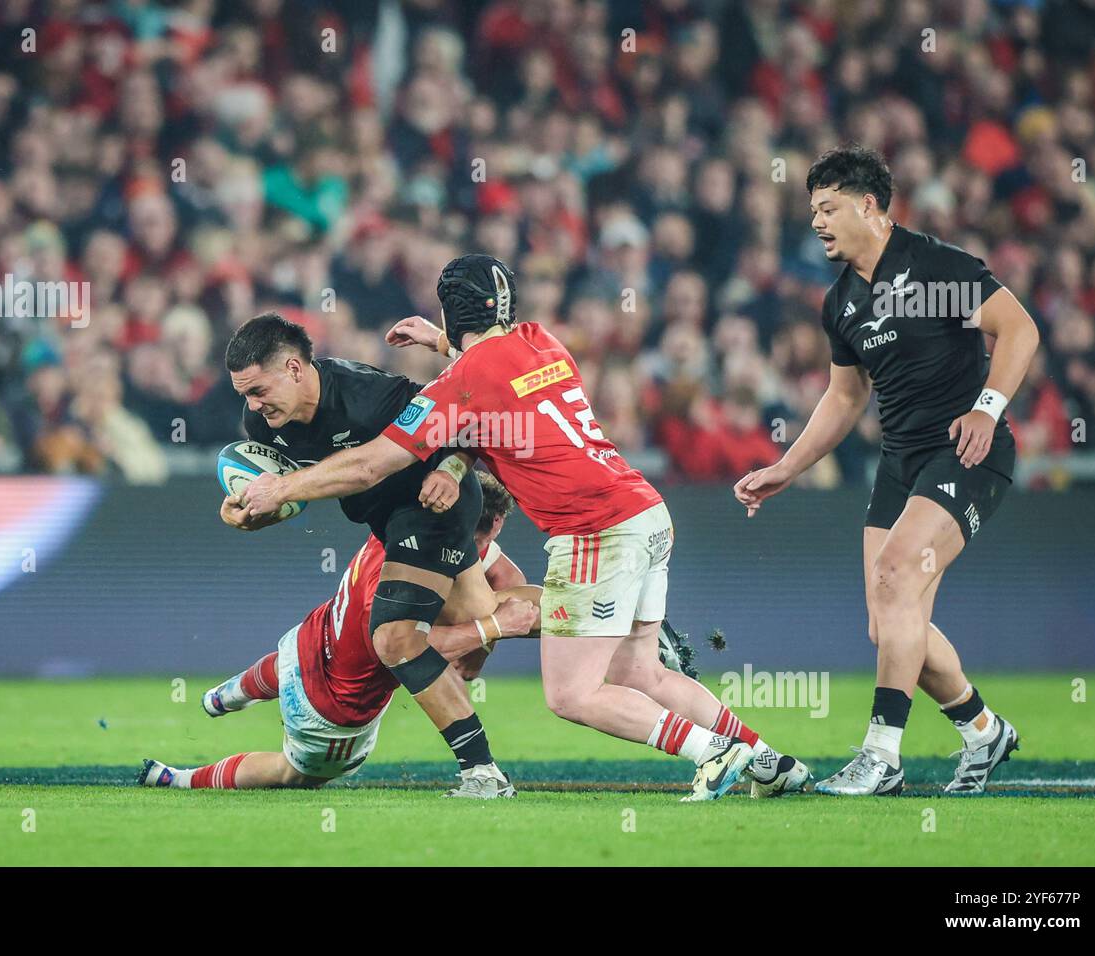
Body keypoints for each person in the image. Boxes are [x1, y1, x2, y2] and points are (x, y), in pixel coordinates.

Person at [240, 257, 808, 802]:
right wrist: (444, 351)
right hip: (647, 511)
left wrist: (281, 488)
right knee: (641, 672)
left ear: (450, 315)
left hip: (595, 530)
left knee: (571, 694)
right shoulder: (542, 341)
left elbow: (369, 465)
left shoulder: (459, 383)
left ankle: (715, 753)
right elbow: (494, 375)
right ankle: (768, 761)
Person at [734, 145, 1039, 795]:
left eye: (828, 207)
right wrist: (787, 466)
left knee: (899, 577)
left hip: (966, 452)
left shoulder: (935, 268)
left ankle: (881, 757)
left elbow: (1019, 329)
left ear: (868, 206)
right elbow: (846, 397)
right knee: (888, 621)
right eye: (811, 209)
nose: (816, 221)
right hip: (900, 462)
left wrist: (987, 411)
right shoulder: (841, 301)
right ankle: (984, 730)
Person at [217, 313, 516, 798]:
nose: (251, 405)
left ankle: (482, 773)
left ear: (294, 368)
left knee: (396, 637)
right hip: (388, 522)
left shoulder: (368, 393)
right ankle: (611, 615)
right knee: (483, 611)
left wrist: (455, 466)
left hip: (432, 501)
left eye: (257, 390)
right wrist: (244, 515)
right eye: (243, 394)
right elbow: (288, 499)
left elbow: (461, 415)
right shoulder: (263, 423)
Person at [140, 472, 540, 789]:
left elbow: (500, 574)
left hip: (311, 636)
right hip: (332, 709)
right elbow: (411, 646)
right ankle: (177, 778)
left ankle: (227, 695)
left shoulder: (410, 523)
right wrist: (492, 627)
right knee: (291, 774)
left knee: (289, 662)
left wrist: (487, 635)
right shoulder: (402, 583)